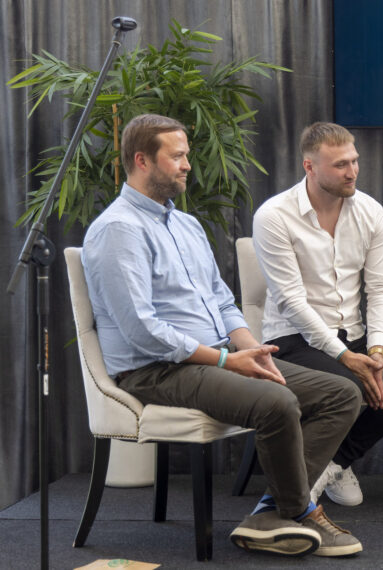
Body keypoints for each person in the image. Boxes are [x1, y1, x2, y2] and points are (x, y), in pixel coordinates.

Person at [82, 114, 363, 557]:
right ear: (141, 160)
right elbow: (142, 329)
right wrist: (224, 361)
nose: (187, 165)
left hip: (218, 355)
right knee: (277, 402)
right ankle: (301, 512)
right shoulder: (119, 229)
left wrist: (252, 349)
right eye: (176, 156)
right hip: (155, 369)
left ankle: (273, 512)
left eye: (186, 155)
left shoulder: (187, 226)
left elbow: (222, 301)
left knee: (342, 393)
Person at [252, 122, 383, 507]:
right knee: (345, 385)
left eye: (354, 161)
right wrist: (347, 358)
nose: (351, 172)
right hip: (292, 339)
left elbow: (381, 287)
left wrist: (378, 352)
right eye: (339, 165)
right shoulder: (274, 216)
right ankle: (300, 481)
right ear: (310, 167)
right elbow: (292, 302)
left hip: (354, 333)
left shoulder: (370, 211)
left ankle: (335, 461)